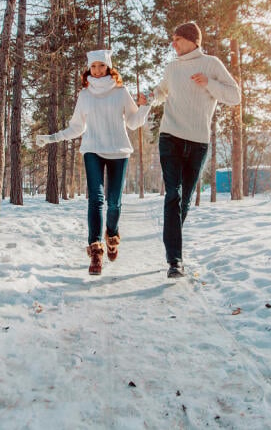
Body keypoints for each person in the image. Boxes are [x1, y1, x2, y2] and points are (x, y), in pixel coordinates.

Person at [36, 49, 150, 276]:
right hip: (92, 150)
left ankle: (112, 235)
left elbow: (134, 122)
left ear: (108, 67)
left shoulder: (120, 92)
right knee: (96, 200)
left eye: (101, 66)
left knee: (114, 202)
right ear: (89, 69)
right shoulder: (85, 95)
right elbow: (77, 127)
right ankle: (96, 250)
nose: (97, 71)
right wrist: (53, 138)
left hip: (118, 151)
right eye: (93, 66)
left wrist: (145, 106)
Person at [149, 22, 241, 278]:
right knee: (173, 195)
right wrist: (150, 96)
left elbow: (235, 96)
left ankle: (172, 242)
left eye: (177, 38)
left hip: (199, 141)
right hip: (171, 136)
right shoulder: (172, 67)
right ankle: (174, 261)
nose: (173, 43)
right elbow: (161, 91)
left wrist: (210, 83)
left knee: (185, 199)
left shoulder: (211, 64)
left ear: (192, 40)